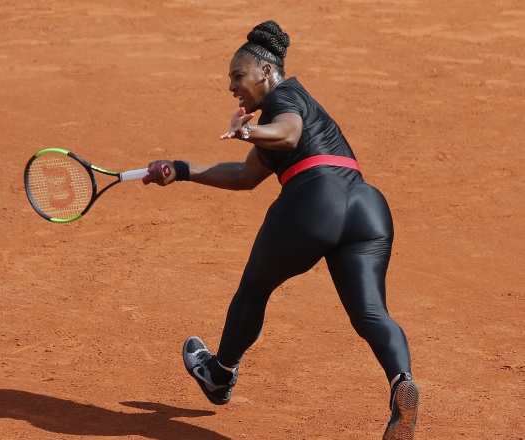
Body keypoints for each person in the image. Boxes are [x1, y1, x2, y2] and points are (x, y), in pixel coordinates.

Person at [142, 20, 419, 439]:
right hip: (367, 207)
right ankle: (402, 383)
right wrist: (180, 170)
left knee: (254, 289)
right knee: (370, 313)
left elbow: (288, 135)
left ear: (266, 73)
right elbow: (244, 176)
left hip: (315, 202)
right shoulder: (301, 105)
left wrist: (249, 130)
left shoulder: (284, 98)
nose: (233, 86)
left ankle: (219, 373)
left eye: (239, 76)